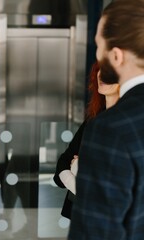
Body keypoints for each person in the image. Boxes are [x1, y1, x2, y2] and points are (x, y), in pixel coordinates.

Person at [69, 0, 144, 239]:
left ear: (116, 55)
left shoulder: (110, 129)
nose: (97, 54)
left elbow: (95, 232)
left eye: (99, 46)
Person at [53, 61, 119, 219]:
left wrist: (79, 166)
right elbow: (63, 162)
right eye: (99, 69)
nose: (101, 75)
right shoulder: (93, 120)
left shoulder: (128, 124)